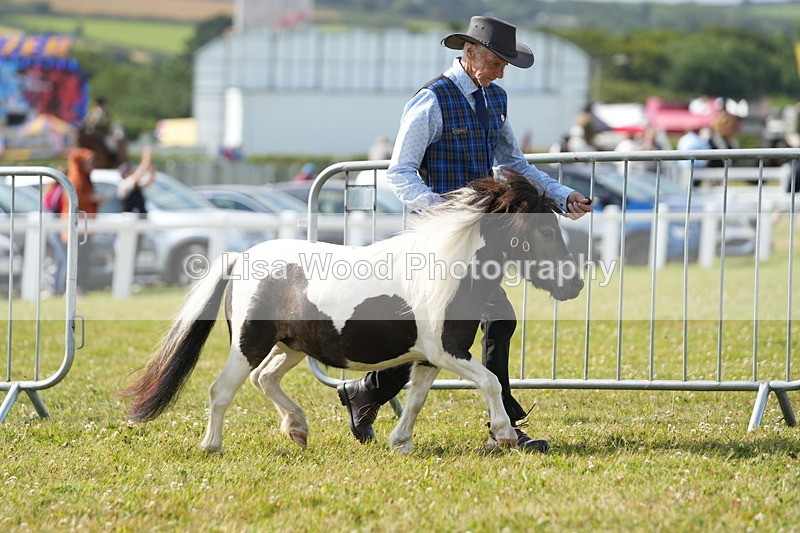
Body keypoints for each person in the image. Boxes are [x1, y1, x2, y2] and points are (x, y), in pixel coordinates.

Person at [337, 16, 592, 453]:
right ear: (470, 53)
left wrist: (561, 194)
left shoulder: (496, 98)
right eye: (496, 62)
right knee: (447, 331)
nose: (501, 73)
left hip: (480, 242)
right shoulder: (431, 101)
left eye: (505, 65)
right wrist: (446, 212)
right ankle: (494, 425)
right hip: (438, 242)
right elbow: (400, 172)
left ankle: (373, 393)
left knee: (478, 324)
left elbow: (514, 164)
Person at [61, 141, 104, 293]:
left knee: (84, 260)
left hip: (85, 227)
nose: (92, 167)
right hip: (75, 228)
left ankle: (80, 288)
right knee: (74, 261)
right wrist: (92, 199)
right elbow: (75, 200)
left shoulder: (86, 179)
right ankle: (70, 290)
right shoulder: (75, 179)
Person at [116, 145, 156, 216]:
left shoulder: (136, 184)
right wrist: (146, 158)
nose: (133, 172)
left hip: (141, 219)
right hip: (127, 219)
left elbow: (150, 177)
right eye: (129, 171)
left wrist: (149, 162)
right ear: (124, 174)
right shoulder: (124, 184)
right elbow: (139, 174)